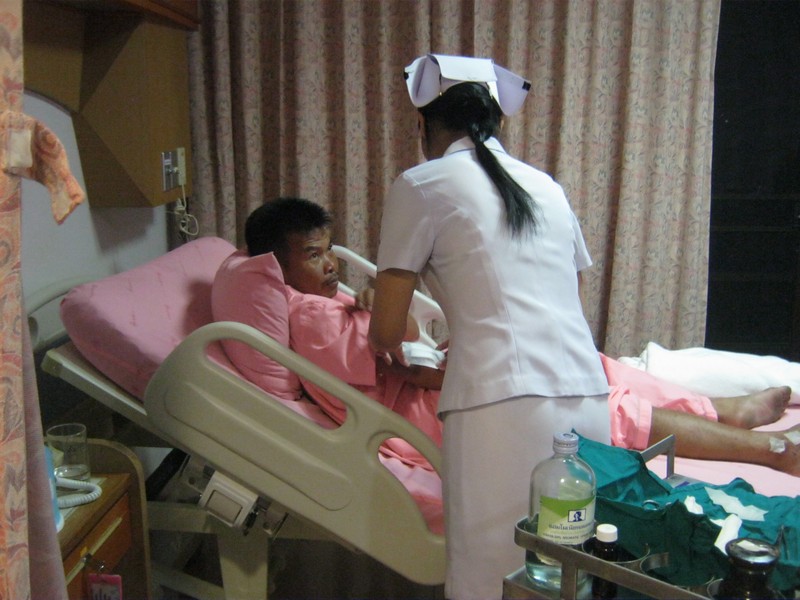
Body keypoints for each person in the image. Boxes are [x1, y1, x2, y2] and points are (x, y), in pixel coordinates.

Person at [360, 53, 608, 599]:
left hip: (500, 410)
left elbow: (386, 332)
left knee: (488, 576)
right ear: (496, 122)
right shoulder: (546, 185)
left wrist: (395, 327)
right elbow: (569, 294)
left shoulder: (421, 184)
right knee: (568, 576)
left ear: (424, 125)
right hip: (589, 399)